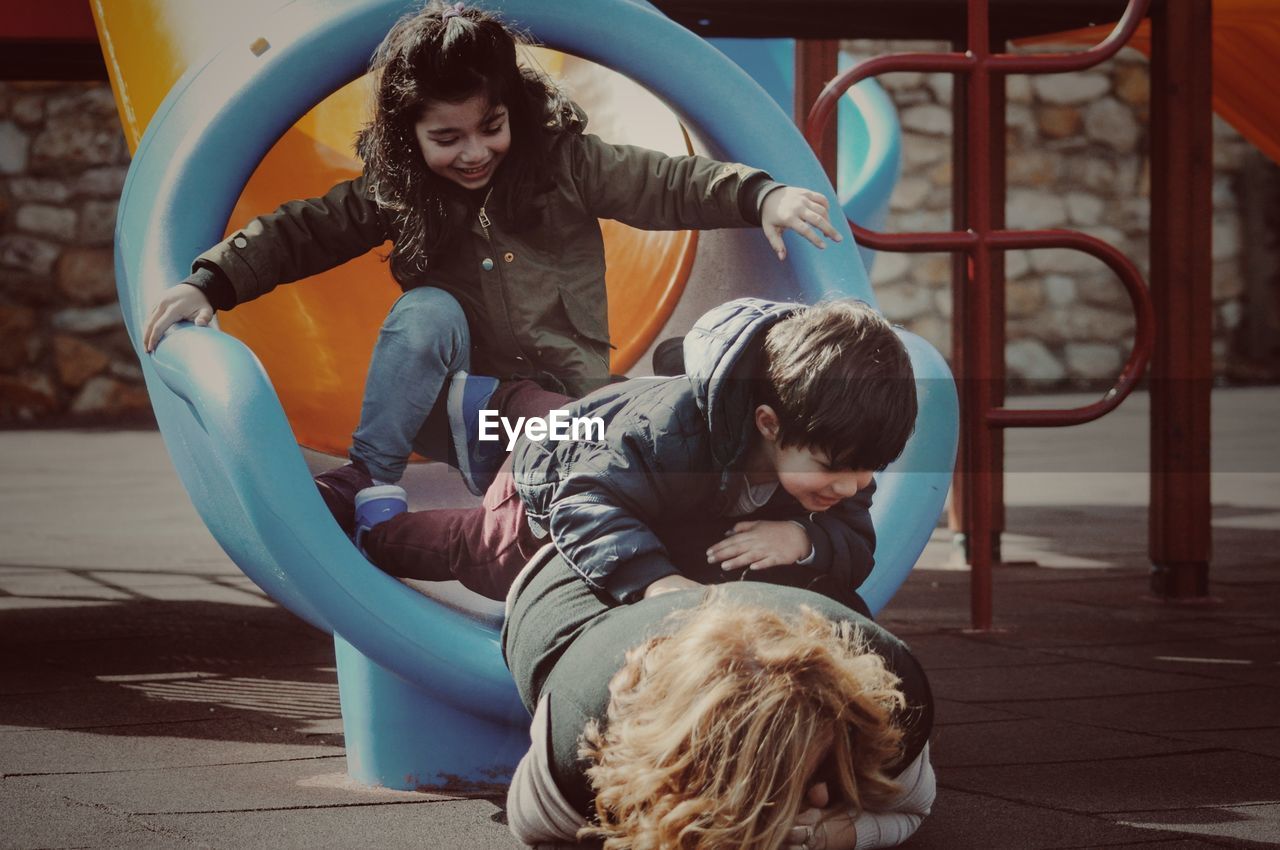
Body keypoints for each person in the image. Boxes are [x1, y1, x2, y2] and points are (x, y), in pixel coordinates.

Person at [139, 0, 841, 534]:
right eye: (446, 138)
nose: (473, 152)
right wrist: (213, 280)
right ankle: (370, 477)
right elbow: (304, 231)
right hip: (456, 410)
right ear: (408, 138)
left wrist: (761, 195)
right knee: (427, 310)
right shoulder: (398, 189)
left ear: (515, 112)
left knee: (601, 440)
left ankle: (539, 511)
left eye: (491, 127)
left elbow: (668, 182)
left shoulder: (567, 163)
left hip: (564, 403)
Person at [359, 297, 917, 611]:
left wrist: (806, 541)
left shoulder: (838, 456)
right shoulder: (673, 440)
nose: (853, 485)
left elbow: (855, 545)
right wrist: (655, 580)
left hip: (598, 425)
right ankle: (366, 525)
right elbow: (584, 503)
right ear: (769, 423)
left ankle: (504, 403)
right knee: (477, 548)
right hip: (549, 493)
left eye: (871, 469)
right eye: (835, 469)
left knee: (580, 415)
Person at [501, 549, 936, 849]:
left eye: (817, 768)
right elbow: (531, 824)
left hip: (777, 577)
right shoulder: (581, 742)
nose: (822, 798)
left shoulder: (893, 701)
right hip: (582, 584)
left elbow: (914, 809)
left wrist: (835, 835)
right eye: (779, 786)